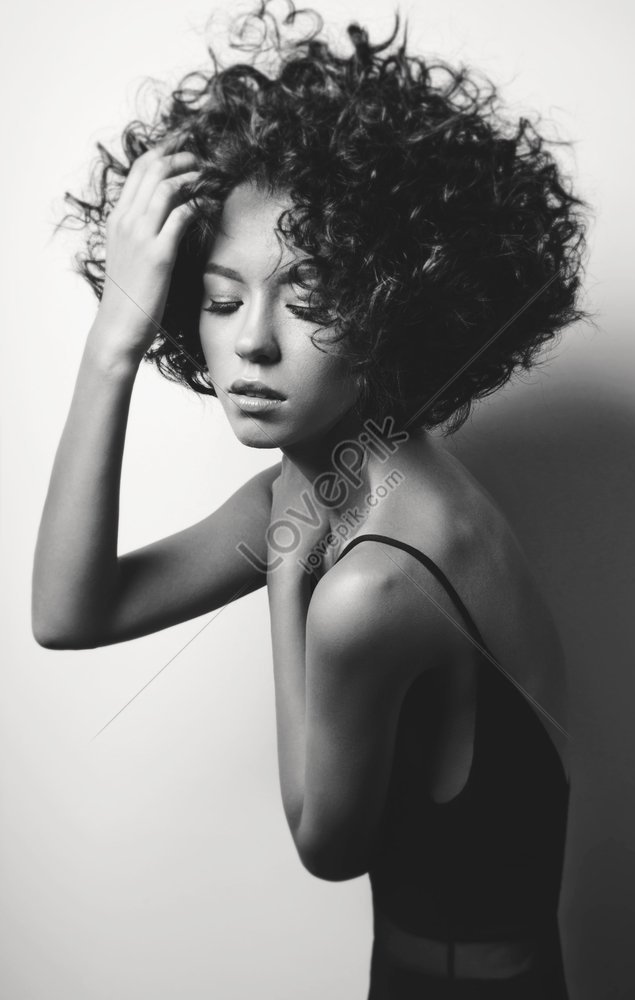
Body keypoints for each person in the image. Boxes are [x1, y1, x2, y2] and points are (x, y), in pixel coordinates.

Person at [32, 2, 593, 996]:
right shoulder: (338, 484)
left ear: (394, 302)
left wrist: (288, 580)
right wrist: (111, 337)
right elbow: (70, 614)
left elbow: (324, 845)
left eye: (310, 294)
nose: (251, 339)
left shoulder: (369, 583)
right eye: (216, 296)